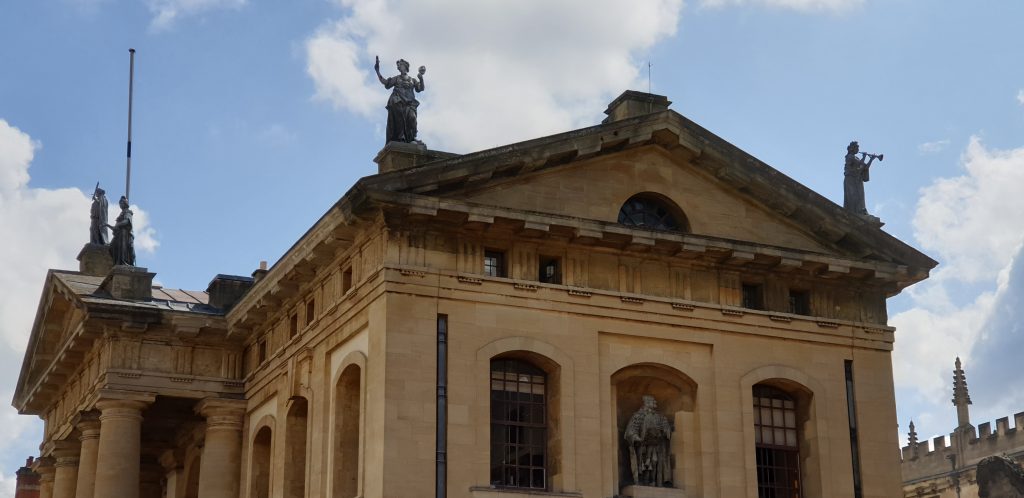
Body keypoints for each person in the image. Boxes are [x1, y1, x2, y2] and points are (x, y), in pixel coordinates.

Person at [623, 395, 673, 487]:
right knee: (643, 466)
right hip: (642, 445)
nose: (655, 403)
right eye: (653, 401)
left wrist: (666, 430)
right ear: (647, 403)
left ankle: (654, 482)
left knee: (654, 461)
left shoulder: (660, 417)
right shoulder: (638, 415)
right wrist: (636, 438)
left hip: (655, 445)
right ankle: (643, 482)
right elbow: (630, 430)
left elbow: (666, 427)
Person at [374, 56, 425, 144]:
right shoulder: (397, 78)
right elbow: (385, 82)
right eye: (398, 66)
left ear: (405, 66)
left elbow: (420, 88)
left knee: (412, 118)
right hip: (398, 101)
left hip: (410, 103)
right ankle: (401, 138)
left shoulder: (412, 80)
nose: (398, 67)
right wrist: (377, 71)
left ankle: (412, 138)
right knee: (399, 119)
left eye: (400, 65)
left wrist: (421, 79)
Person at [844, 141, 880, 215]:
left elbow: (865, 167)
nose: (858, 149)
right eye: (857, 148)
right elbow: (859, 164)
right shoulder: (849, 156)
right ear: (852, 148)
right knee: (853, 196)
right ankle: (854, 212)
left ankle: (861, 210)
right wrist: (864, 157)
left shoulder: (856, 158)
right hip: (850, 179)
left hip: (857, 179)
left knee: (860, 196)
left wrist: (871, 159)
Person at [108, 195, 135, 266]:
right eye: (120, 203)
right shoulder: (121, 214)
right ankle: (117, 262)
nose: (120, 205)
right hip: (119, 234)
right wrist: (107, 225)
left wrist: (118, 225)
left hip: (125, 233)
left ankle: (123, 262)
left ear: (125, 203)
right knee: (111, 247)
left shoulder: (128, 212)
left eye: (121, 203)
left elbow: (126, 221)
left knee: (123, 247)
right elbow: (115, 227)